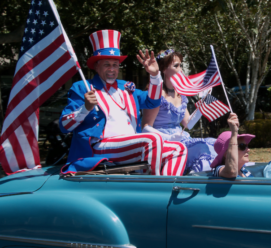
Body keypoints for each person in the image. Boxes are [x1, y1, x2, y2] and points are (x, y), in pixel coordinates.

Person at [59, 30, 187, 176]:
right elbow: (64, 125)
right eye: (107, 64)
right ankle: (153, 190)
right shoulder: (83, 87)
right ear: (96, 66)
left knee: (179, 149)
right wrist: (85, 109)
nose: (112, 69)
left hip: (133, 146)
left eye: (115, 64)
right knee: (152, 138)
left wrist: (155, 75)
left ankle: (165, 192)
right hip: (99, 148)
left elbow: (152, 102)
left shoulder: (126, 87)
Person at [141, 49, 217, 173]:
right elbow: (145, 128)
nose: (180, 69)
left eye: (180, 65)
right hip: (163, 144)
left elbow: (188, 123)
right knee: (201, 149)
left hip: (181, 139)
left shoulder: (180, 94)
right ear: (164, 69)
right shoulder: (156, 93)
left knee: (214, 145)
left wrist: (205, 101)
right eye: (176, 66)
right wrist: (169, 137)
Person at [211, 113, 255, 178]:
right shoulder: (219, 169)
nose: (248, 149)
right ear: (226, 154)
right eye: (242, 146)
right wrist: (234, 132)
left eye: (247, 145)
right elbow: (232, 172)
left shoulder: (244, 171)